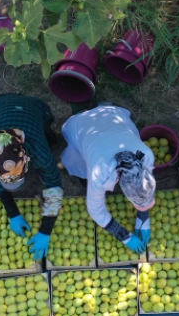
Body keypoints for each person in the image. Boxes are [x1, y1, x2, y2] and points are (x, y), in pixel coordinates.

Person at [60, 105, 156, 254]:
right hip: (81, 129)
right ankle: (86, 112)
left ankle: (99, 108)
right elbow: (95, 210)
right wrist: (123, 235)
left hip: (111, 116)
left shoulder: (145, 155)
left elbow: (144, 185)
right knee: (82, 167)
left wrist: (143, 217)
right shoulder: (99, 173)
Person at [0, 94, 63, 260]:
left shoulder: (41, 154)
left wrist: (45, 231)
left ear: (27, 161)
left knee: (47, 155)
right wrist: (13, 214)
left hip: (33, 108)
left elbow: (55, 187)